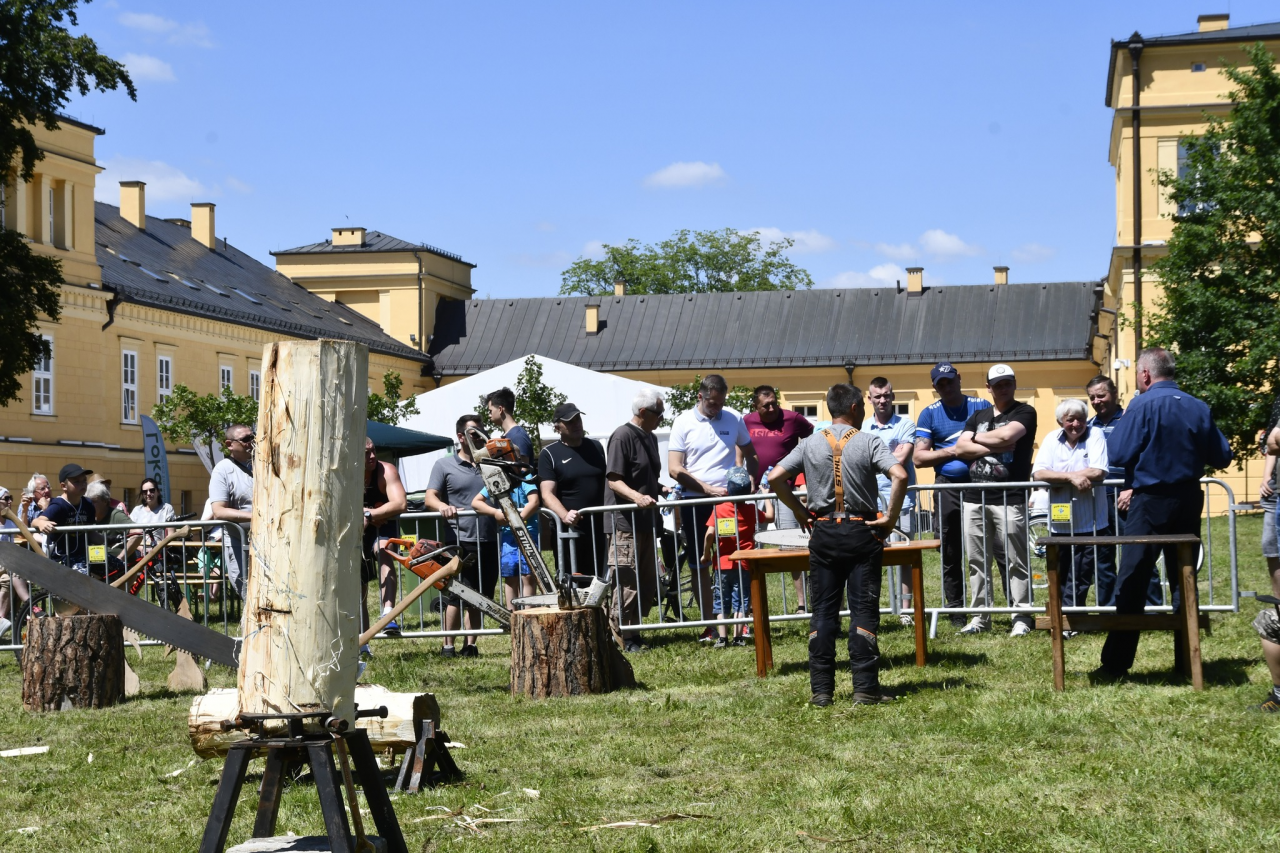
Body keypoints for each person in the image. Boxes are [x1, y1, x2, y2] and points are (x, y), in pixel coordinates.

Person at [1095, 347, 1232, 681]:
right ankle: (1188, 662)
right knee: (1184, 579)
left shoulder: (1142, 404)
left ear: (1145, 375)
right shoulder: (1198, 406)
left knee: (1133, 578)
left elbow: (1119, 451)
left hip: (1149, 502)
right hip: (1188, 499)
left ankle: (1116, 664)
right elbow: (1222, 456)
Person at [770, 383, 906, 707]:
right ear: (857, 407)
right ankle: (865, 690)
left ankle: (821, 692)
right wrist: (889, 519)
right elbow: (899, 475)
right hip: (861, 532)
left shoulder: (809, 444)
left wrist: (800, 511)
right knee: (863, 611)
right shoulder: (869, 440)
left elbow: (775, 477)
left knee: (823, 614)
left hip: (824, 533)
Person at [668, 374, 759, 640]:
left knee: (735, 560)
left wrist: (751, 480)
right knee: (701, 561)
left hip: (730, 503)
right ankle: (711, 623)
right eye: (711, 403)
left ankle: (741, 621)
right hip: (695, 502)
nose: (716, 408)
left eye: (720, 403)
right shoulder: (683, 421)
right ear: (700, 396)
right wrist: (706, 489)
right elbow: (674, 468)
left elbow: (750, 453)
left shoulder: (733, 417)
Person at [953, 364, 1038, 637]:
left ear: (1014, 384)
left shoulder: (1025, 411)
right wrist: (995, 443)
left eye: (1008, 382)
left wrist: (978, 439)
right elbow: (960, 448)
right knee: (977, 560)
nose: (1003, 387)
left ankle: (1022, 616)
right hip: (974, 497)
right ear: (988, 388)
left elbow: (1007, 435)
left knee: (1017, 559)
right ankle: (980, 617)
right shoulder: (978, 415)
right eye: (997, 384)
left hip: (1010, 497)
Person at [914, 362, 992, 628]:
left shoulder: (981, 406)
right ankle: (956, 612)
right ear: (934, 387)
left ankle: (1000, 610)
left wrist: (964, 449)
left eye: (950, 381)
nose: (946, 387)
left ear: (959, 378)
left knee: (990, 548)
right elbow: (919, 457)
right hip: (946, 486)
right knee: (950, 551)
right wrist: (954, 451)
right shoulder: (929, 414)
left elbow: (996, 444)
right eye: (940, 384)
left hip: (981, 482)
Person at [424, 414, 500, 658]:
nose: (479, 436)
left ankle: (471, 646)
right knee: (456, 594)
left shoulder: (489, 463)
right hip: (459, 541)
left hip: (488, 538)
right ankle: (448, 646)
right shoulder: (444, 465)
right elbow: (429, 498)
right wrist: (441, 507)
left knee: (477, 596)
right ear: (461, 437)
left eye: (481, 431)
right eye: (474, 432)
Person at [1086, 375, 1161, 606]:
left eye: (1102, 395)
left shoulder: (1131, 418)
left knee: (1139, 552)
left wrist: (1132, 488)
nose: (1097, 401)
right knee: (1103, 555)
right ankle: (1108, 608)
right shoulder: (1088, 427)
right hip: (1099, 498)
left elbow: (1145, 457)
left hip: (1128, 496)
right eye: (1092, 398)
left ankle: (1153, 606)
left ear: (1115, 393)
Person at [1032, 399, 1111, 617]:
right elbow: (1039, 472)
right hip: (1060, 522)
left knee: (1082, 572)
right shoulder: (1051, 439)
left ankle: (1073, 616)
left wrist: (1061, 478)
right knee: (1061, 569)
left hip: (1091, 520)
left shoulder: (1095, 435)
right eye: (1070, 420)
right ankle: (1062, 615)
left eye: (1081, 419)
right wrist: (1072, 477)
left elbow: (1098, 470)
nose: (1076, 424)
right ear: (1060, 421)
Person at [604, 389, 668, 652]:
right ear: (643, 413)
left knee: (645, 581)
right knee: (627, 580)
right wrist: (637, 497)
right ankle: (621, 638)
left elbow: (643, 475)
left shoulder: (650, 437)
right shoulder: (622, 436)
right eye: (658, 414)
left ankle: (634, 634)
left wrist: (659, 488)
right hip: (624, 523)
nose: (661, 419)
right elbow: (614, 479)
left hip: (645, 522)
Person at [743, 384, 814, 613]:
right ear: (756, 406)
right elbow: (739, 448)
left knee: (793, 542)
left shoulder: (793, 419)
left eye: (775, 402)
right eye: (766, 405)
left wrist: (802, 473)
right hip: (757, 491)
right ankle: (753, 603)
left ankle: (802, 603)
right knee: (754, 543)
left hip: (786, 489)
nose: (772, 407)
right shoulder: (746, 421)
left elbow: (811, 439)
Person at [863, 377, 918, 625]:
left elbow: (902, 458)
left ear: (893, 396)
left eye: (887, 395)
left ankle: (906, 610)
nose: (883, 400)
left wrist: (872, 462)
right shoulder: (862, 428)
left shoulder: (906, 425)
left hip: (902, 500)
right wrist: (887, 459)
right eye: (878, 396)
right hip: (869, 502)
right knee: (870, 556)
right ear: (870, 399)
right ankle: (872, 607)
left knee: (905, 554)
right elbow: (888, 460)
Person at [538, 403, 609, 582]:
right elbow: (547, 494)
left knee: (600, 581)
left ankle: (599, 611)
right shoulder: (549, 454)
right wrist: (564, 515)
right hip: (569, 531)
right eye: (570, 421)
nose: (577, 424)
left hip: (598, 528)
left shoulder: (596, 447)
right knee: (572, 582)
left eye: (578, 419)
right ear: (557, 427)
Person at [703, 466, 772, 648]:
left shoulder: (719, 509)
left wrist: (705, 554)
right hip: (745, 563)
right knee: (741, 600)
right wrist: (765, 494)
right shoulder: (750, 510)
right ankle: (738, 637)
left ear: (728, 488)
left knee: (721, 600)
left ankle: (722, 638)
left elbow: (710, 535)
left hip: (722, 563)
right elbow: (771, 517)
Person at [471, 471, 541, 606]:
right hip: (508, 537)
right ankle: (512, 615)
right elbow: (476, 502)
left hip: (528, 533)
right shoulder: (495, 478)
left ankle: (528, 613)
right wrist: (495, 512)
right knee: (511, 577)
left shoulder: (525, 477)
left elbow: (534, 502)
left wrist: (516, 521)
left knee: (528, 576)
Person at [362, 437, 408, 641]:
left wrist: (371, 515)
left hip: (382, 525)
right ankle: (362, 639)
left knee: (383, 551)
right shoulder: (345, 472)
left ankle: (388, 613)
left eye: (373, 450)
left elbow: (400, 504)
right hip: (358, 526)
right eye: (365, 453)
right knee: (358, 580)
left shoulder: (386, 470)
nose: (372, 456)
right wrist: (365, 513)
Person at [209, 424, 255, 599]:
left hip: (268, 542)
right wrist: (255, 517)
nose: (251, 442)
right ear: (229, 444)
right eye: (245, 439)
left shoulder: (264, 464)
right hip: (239, 543)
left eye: (253, 437)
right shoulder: (223, 470)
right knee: (248, 595)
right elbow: (218, 511)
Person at [31, 463, 95, 574]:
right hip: (63, 558)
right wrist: (41, 523)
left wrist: (110, 539)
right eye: (77, 482)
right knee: (83, 576)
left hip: (87, 554)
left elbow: (91, 533)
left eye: (84, 480)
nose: (83, 484)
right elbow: (35, 522)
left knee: (121, 568)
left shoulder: (88, 504)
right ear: (63, 486)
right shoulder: (58, 505)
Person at [85, 480, 132, 584]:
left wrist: (121, 558)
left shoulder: (116, 515)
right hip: (95, 569)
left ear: (105, 501)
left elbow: (138, 533)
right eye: (88, 502)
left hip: (117, 571)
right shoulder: (87, 517)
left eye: (94, 501)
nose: (90, 505)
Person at [0, 487, 30, 640]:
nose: (10, 501)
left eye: (10, 497)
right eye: (6, 498)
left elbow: (24, 532)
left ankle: (1, 618)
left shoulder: (10, 522)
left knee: (8, 578)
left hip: (6, 564)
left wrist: (24, 510)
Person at [486, 387, 534, 462]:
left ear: (500, 409)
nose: (489, 415)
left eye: (490, 411)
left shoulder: (518, 436)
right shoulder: (512, 434)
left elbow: (524, 469)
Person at [129, 477, 176, 550]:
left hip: (160, 551)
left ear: (158, 492)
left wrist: (157, 549)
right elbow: (130, 535)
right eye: (145, 492)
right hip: (139, 551)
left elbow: (171, 535)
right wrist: (141, 548)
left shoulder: (167, 508)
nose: (148, 494)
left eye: (152, 490)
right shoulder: (137, 510)